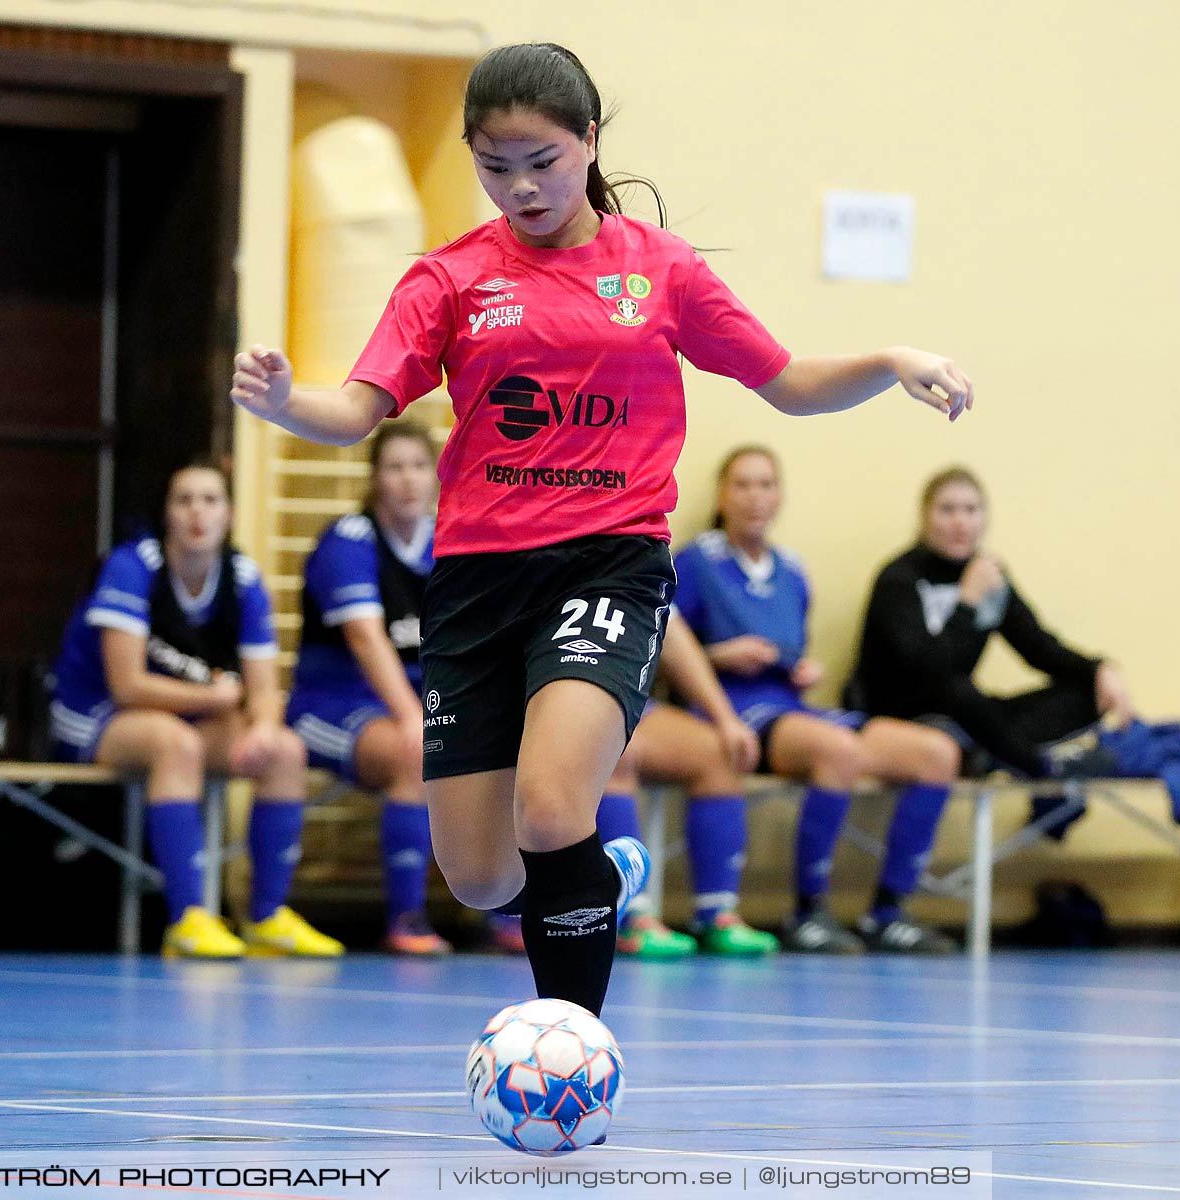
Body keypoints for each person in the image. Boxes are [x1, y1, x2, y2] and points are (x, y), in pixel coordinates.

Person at [230, 43, 971, 1013]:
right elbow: (358, 409)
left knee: (549, 804)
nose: (519, 187)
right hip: (477, 584)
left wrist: (887, 356)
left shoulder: (658, 270)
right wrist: (287, 401)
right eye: (494, 167)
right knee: (483, 879)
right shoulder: (448, 279)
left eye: (540, 160)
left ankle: (571, 1042)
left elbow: (786, 384)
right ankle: (597, 866)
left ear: (587, 141)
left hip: (606, 567)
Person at [673, 447, 963, 954]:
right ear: (721, 493)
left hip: (791, 708)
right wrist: (720, 656)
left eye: (766, 484)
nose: (755, 497)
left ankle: (888, 913)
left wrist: (799, 669)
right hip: (732, 713)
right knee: (837, 750)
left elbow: (792, 649)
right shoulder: (696, 562)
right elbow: (661, 649)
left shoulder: (791, 568)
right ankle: (808, 911)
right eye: (742, 484)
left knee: (937, 754)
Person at [50, 461, 341, 959]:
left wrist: (263, 729)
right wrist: (214, 698)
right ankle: (186, 919)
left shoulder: (242, 578)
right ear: (167, 513)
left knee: (285, 751)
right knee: (175, 744)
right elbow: (127, 685)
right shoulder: (133, 567)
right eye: (184, 500)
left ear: (228, 514)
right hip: (92, 712)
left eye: (209, 500)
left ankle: (266, 917)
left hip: (183, 714)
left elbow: (264, 687)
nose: (197, 513)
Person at [850, 466, 1180, 840]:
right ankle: (1048, 773)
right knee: (959, 691)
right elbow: (927, 670)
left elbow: (1039, 648)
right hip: (905, 722)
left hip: (974, 724)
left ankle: (1020, 759)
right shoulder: (899, 579)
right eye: (947, 509)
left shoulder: (990, 575)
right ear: (924, 516)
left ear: (985, 517)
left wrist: (1099, 670)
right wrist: (966, 602)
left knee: (1083, 694)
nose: (960, 522)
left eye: (971, 509)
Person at [287, 422, 451, 955]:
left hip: (419, 700)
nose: (408, 480)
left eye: (419, 466)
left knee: (497, 753)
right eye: (394, 467)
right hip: (331, 703)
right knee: (418, 753)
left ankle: (504, 913)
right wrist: (411, 717)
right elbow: (364, 637)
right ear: (375, 477)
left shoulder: (450, 539)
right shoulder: (348, 541)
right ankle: (407, 918)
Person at [601, 619, 781, 957]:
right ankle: (626, 917)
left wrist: (726, 719)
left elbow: (671, 630)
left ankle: (716, 915)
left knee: (719, 753)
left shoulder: (640, 568)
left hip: (624, 693)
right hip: (546, 691)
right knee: (608, 745)